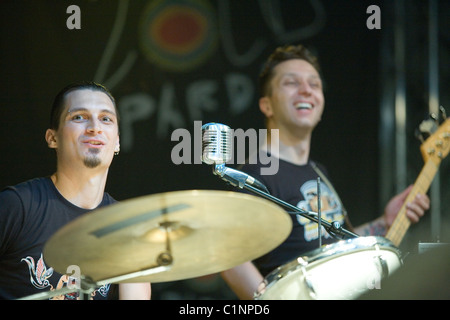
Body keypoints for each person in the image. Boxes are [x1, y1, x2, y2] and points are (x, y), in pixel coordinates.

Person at [220, 44, 430, 300]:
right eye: (291, 83)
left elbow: (336, 245)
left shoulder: (318, 171)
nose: (306, 90)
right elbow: (229, 259)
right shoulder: (257, 174)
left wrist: (384, 222)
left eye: (314, 84)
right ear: (267, 105)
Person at [0, 81, 151, 300]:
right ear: (53, 138)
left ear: (117, 142)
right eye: (79, 117)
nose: (95, 128)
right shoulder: (17, 206)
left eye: (106, 119)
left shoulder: (127, 227)